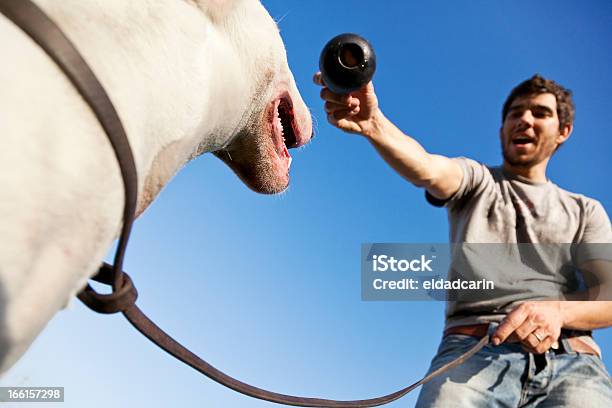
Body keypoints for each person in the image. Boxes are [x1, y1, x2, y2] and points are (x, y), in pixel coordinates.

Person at [314, 72, 612, 407]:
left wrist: (557, 313)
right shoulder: (477, 180)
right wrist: (374, 124)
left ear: (563, 132)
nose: (524, 120)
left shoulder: (585, 210)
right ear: (502, 130)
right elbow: (428, 169)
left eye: (540, 113)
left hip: (572, 363)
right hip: (471, 354)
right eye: (515, 113)